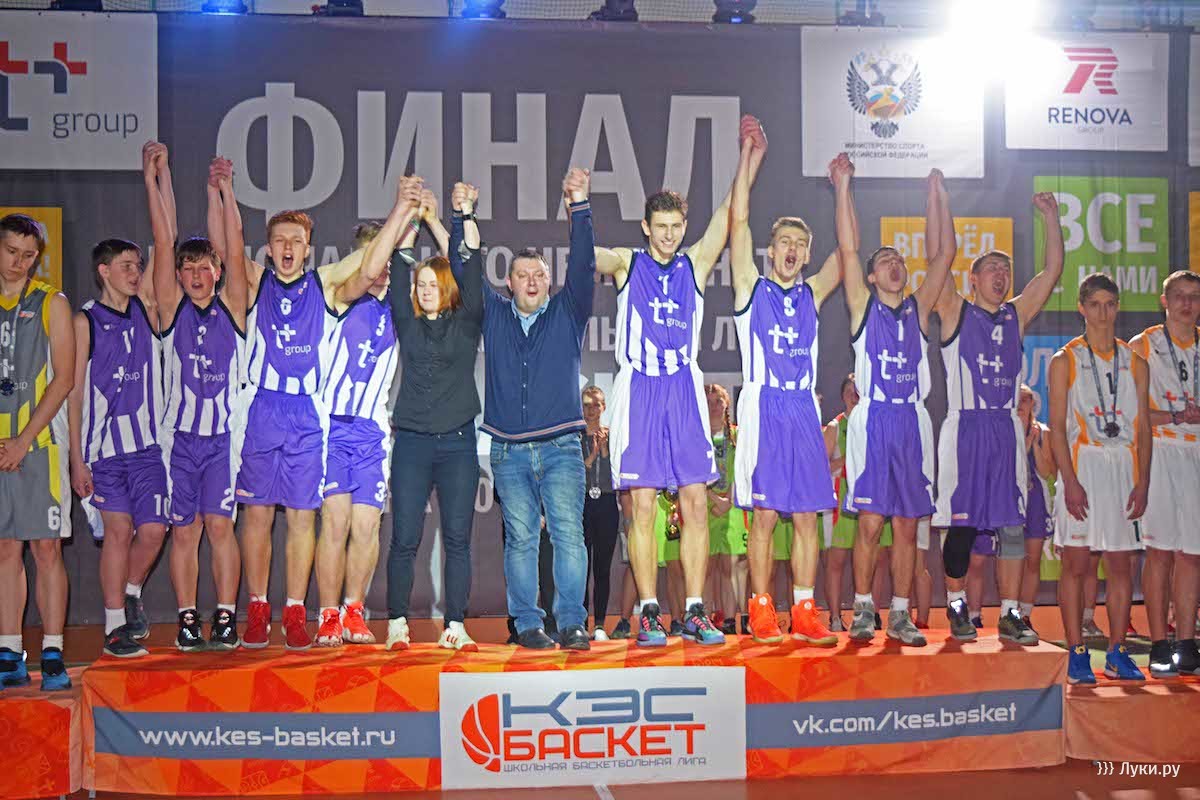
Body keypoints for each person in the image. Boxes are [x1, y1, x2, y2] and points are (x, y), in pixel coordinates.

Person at [230, 177, 407, 650]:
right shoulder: (335, 292)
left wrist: (409, 213)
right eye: (280, 241)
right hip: (313, 420)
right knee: (279, 516)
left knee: (356, 525)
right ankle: (285, 609)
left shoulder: (395, 305)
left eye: (297, 241)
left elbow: (440, 288)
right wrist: (221, 193)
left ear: (308, 248)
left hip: (357, 429)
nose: (288, 248)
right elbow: (364, 270)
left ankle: (335, 610)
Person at [598, 144, 748, 649]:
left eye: (676, 226)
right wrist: (578, 208)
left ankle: (695, 610)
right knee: (641, 507)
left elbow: (726, 215)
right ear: (646, 227)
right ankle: (648, 612)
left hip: (683, 387)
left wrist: (747, 156)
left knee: (696, 503)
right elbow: (593, 256)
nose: (668, 234)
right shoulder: (628, 263)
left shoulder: (694, 264)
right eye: (660, 226)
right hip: (640, 387)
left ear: (683, 227)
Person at [727, 118, 840, 647]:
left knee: (809, 515)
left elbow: (848, 253)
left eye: (799, 243)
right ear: (770, 252)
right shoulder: (750, 288)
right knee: (766, 515)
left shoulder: (812, 293)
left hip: (803, 409)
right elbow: (738, 220)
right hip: (764, 405)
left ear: (806, 254)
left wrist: (843, 189)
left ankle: (805, 609)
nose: (791, 249)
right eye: (783, 242)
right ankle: (761, 609)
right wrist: (749, 156)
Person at [933, 192, 1064, 645]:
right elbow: (938, 257)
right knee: (962, 526)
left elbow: (1051, 272)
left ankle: (1010, 614)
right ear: (972, 279)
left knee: (1011, 524)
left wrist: (1050, 217)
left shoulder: (1016, 316)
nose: (1001, 275)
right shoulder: (955, 310)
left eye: (1005, 270)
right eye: (991, 268)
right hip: (966, 429)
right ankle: (955, 605)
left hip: (1006, 429)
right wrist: (940, 201)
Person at [839, 158, 956, 646]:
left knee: (907, 525)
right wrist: (843, 186)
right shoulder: (862, 308)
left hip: (911, 419)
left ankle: (902, 614)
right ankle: (863, 608)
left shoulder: (918, 308)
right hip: (874, 419)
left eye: (899, 260)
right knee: (870, 523)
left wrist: (936, 198)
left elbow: (945, 255)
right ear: (871, 277)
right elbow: (848, 248)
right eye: (886, 260)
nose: (896, 265)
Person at [479, 168, 596, 651]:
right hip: (508, 451)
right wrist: (461, 219)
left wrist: (579, 206)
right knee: (522, 539)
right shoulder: (493, 315)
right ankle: (527, 625)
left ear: (550, 281)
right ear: (508, 283)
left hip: (561, 447)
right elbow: (464, 273)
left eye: (540, 274)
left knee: (568, 534)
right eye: (522, 275)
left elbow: (584, 264)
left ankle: (572, 623)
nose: (531, 281)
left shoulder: (569, 311)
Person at [144, 146, 247, 653]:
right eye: (187, 269)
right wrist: (155, 179)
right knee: (184, 533)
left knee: (221, 527)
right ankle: (188, 618)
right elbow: (163, 240)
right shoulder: (169, 309)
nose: (196, 275)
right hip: (179, 441)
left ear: (217, 271)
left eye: (205, 267)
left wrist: (222, 191)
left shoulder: (234, 306)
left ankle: (225, 616)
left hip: (223, 441)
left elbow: (235, 243)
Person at [385, 183, 483, 651]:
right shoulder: (405, 320)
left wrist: (442, 218)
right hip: (412, 443)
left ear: (446, 289)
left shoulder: (467, 321)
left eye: (432, 284)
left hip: (458, 444)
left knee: (458, 539)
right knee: (404, 537)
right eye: (420, 284)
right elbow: (398, 260)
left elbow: (468, 262)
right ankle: (397, 623)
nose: (425, 291)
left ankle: (456, 625)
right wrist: (412, 217)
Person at [68, 234, 167, 659]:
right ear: (103, 271)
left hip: (146, 448)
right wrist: (76, 459)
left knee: (154, 531)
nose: (135, 273)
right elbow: (74, 393)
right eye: (125, 266)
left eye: (137, 266)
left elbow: (165, 240)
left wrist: (157, 186)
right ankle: (113, 629)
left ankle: (130, 592)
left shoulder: (145, 308)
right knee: (119, 530)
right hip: (104, 451)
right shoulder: (85, 321)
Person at [1049, 272, 1151, 684]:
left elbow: (1144, 430)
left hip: (1123, 467)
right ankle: (1077, 652)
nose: (1103, 313)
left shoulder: (1136, 362)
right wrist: (1070, 480)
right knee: (1076, 564)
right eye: (1095, 305)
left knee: (1121, 566)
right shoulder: (1065, 360)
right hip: (1084, 465)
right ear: (1082, 308)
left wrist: (1143, 482)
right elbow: (1057, 429)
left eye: (1110, 305)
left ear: (1117, 307)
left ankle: (1117, 651)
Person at [313, 213, 402, 648]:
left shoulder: (400, 306)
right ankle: (328, 613)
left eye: (388, 259)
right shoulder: (340, 297)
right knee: (336, 522)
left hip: (372, 432)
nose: (382, 267)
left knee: (367, 527)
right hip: (332, 428)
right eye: (374, 258)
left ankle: (354, 609)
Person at [0, 214, 74, 689]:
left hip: (39, 446)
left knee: (46, 548)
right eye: (11, 251)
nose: (20, 262)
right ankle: (9, 652)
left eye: (29, 255)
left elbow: (64, 378)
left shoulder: (52, 302)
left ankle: (52, 651)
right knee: (5, 548)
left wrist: (24, 439)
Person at [1130, 270, 1200, 677]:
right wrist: (1174, 415)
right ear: (1164, 301)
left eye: (1194, 296)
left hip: (1196, 453)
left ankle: (1186, 644)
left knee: (1192, 554)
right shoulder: (1143, 345)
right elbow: (1131, 411)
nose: (1187, 304)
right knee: (1158, 552)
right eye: (1179, 296)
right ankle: (1159, 643)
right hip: (1159, 450)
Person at [822, 374, 894, 632]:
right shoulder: (835, 426)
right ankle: (834, 617)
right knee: (836, 561)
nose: (854, 396)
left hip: (873, 498)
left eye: (858, 391)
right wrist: (848, 460)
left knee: (879, 558)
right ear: (843, 396)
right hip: (841, 501)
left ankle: (871, 612)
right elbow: (820, 467)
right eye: (849, 391)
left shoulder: (876, 422)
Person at [704, 383, 748, 636]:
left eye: (718, 401)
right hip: (706, 508)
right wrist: (712, 498)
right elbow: (692, 471)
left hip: (733, 508)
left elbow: (743, 469)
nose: (714, 407)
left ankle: (731, 619)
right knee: (706, 567)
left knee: (730, 565)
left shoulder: (737, 435)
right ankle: (706, 618)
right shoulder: (697, 435)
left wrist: (728, 499)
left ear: (727, 403)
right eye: (709, 402)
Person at [1015, 384, 1055, 637]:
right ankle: (1009, 612)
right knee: (1011, 558)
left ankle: (1025, 614)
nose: (1021, 404)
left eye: (1025, 399)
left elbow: (1046, 471)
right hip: (1011, 497)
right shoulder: (1005, 428)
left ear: (1033, 403)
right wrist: (1024, 444)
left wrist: (1034, 443)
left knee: (1032, 559)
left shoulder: (1043, 432)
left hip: (1036, 500)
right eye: (1017, 399)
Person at [581, 386, 620, 640]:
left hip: (606, 503)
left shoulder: (612, 436)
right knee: (581, 568)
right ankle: (581, 622)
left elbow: (616, 473)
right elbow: (575, 471)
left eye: (596, 405)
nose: (591, 410)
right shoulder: (575, 438)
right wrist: (593, 454)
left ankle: (600, 625)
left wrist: (604, 451)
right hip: (583, 504)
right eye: (586, 405)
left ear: (604, 407)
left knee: (602, 568)